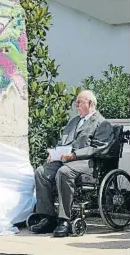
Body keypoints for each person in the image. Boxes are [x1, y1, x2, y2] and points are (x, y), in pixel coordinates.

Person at [30, 90, 113, 238]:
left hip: (87, 163)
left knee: (64, 172)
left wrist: (74, 155)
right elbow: (63, 142)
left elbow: (98, 148)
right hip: (66, 160)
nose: (76, 105)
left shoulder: (102, 123)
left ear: (90, 103)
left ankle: (64, 220)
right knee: (41, 172)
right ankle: (48, 217)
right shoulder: (74, 121)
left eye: (79, 102)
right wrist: (54, 153)